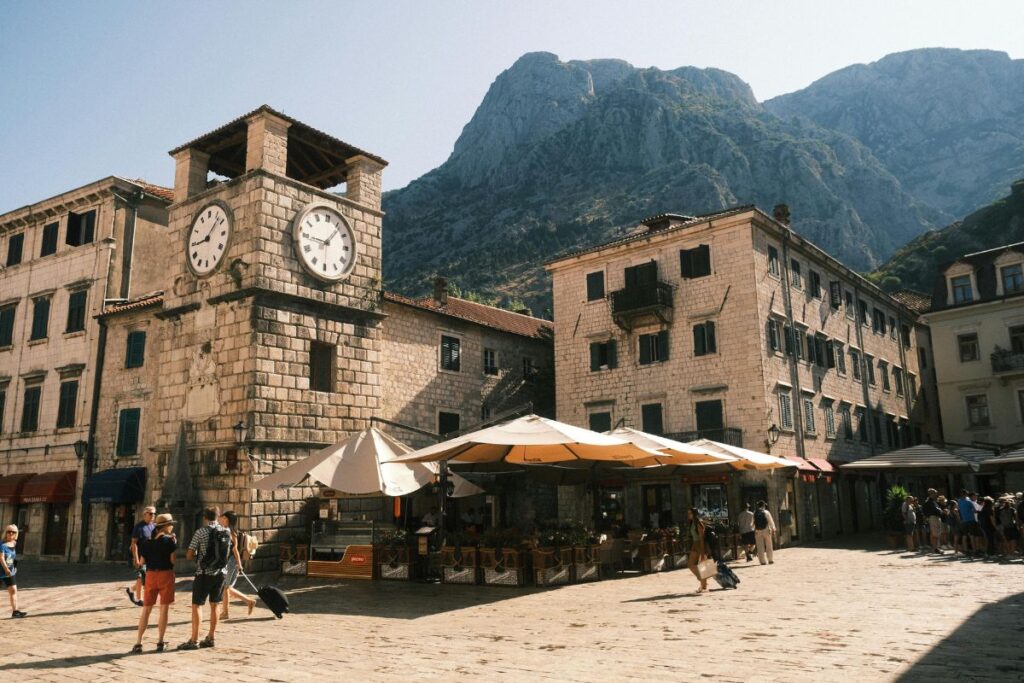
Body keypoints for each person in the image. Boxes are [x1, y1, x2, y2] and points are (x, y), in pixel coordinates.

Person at [178, 507, 230, 650]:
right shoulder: (226, 531)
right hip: (221, 573)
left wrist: (198, 558)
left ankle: (194, 640)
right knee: (215, 605)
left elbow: (189, 554)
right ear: (218, 517)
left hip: (204, 573)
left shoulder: (200, 532)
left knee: (197, 606)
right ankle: (210, 637)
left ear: (205, 518)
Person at [132, 513, 177, 653]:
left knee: (146, 610)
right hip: (165, 574)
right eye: (171, 524)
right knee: (164, 609)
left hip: (151, 575)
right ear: (165, 527)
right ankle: (160, 641)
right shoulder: (170, 542)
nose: (172, 527)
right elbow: (172, 561)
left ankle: (138, 642)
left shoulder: (146, 543)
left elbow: (142, 562)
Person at [218, 511, 255, 620]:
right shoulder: (230, 531)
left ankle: (247, 602)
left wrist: (239, 564)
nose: (222, 520)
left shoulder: (230, 532)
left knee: (226, 588)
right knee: (227, 588)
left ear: (229, 520)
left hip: (231, 562)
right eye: (222, 518)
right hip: (232, 561)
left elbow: (235, 550)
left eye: (224, 518)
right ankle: (227, 612)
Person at [127, 506, 156, 606]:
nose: (153, 516)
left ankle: (131, 589)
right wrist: (136, 558)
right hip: (140, 556)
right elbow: (134, 543)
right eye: (151, 513)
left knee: (145, 578)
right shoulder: (138, 527)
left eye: (154, 514)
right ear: (145, 514)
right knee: (140, 576)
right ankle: (139, 599)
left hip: (150, 557)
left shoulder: (153, 526)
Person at [1, 525, 26, 618]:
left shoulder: (14, 543)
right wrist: (6, 569)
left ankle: (15, 611)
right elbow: (1, 558)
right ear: (6, 533)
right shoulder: (2, 544)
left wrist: (14, 567)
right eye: (9, 531)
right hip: (2, 570)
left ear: (16, 534)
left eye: (13, 532)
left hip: (10, 571)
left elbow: (13, 557)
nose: (11, 533)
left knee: (13, 590)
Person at [684, 508, 708, 594]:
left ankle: (702, 580)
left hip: (699, 545)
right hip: (695, 544)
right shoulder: (692, 523)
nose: (688, 515)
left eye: (690, 513)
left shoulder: (698, 523)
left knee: (692, 564)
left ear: (694, 514)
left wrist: (702, 552)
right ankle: (703, 583)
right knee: (695, 565)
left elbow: (701, 538)